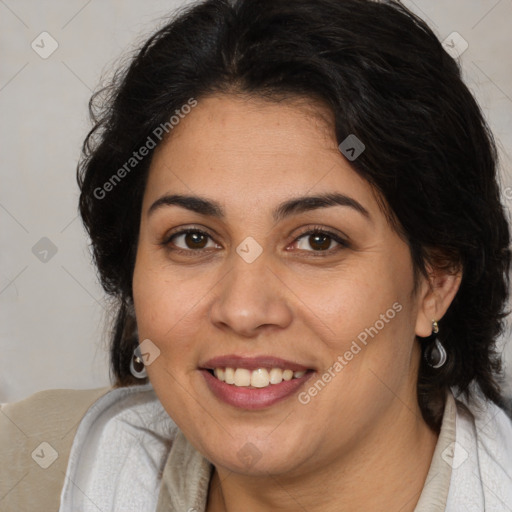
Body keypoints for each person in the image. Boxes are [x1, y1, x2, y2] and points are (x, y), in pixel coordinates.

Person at [1, 0, 512, 510]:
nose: (243, 311)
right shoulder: (26, 468)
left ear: (435, 280)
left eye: (317, 241)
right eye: (193, 239)